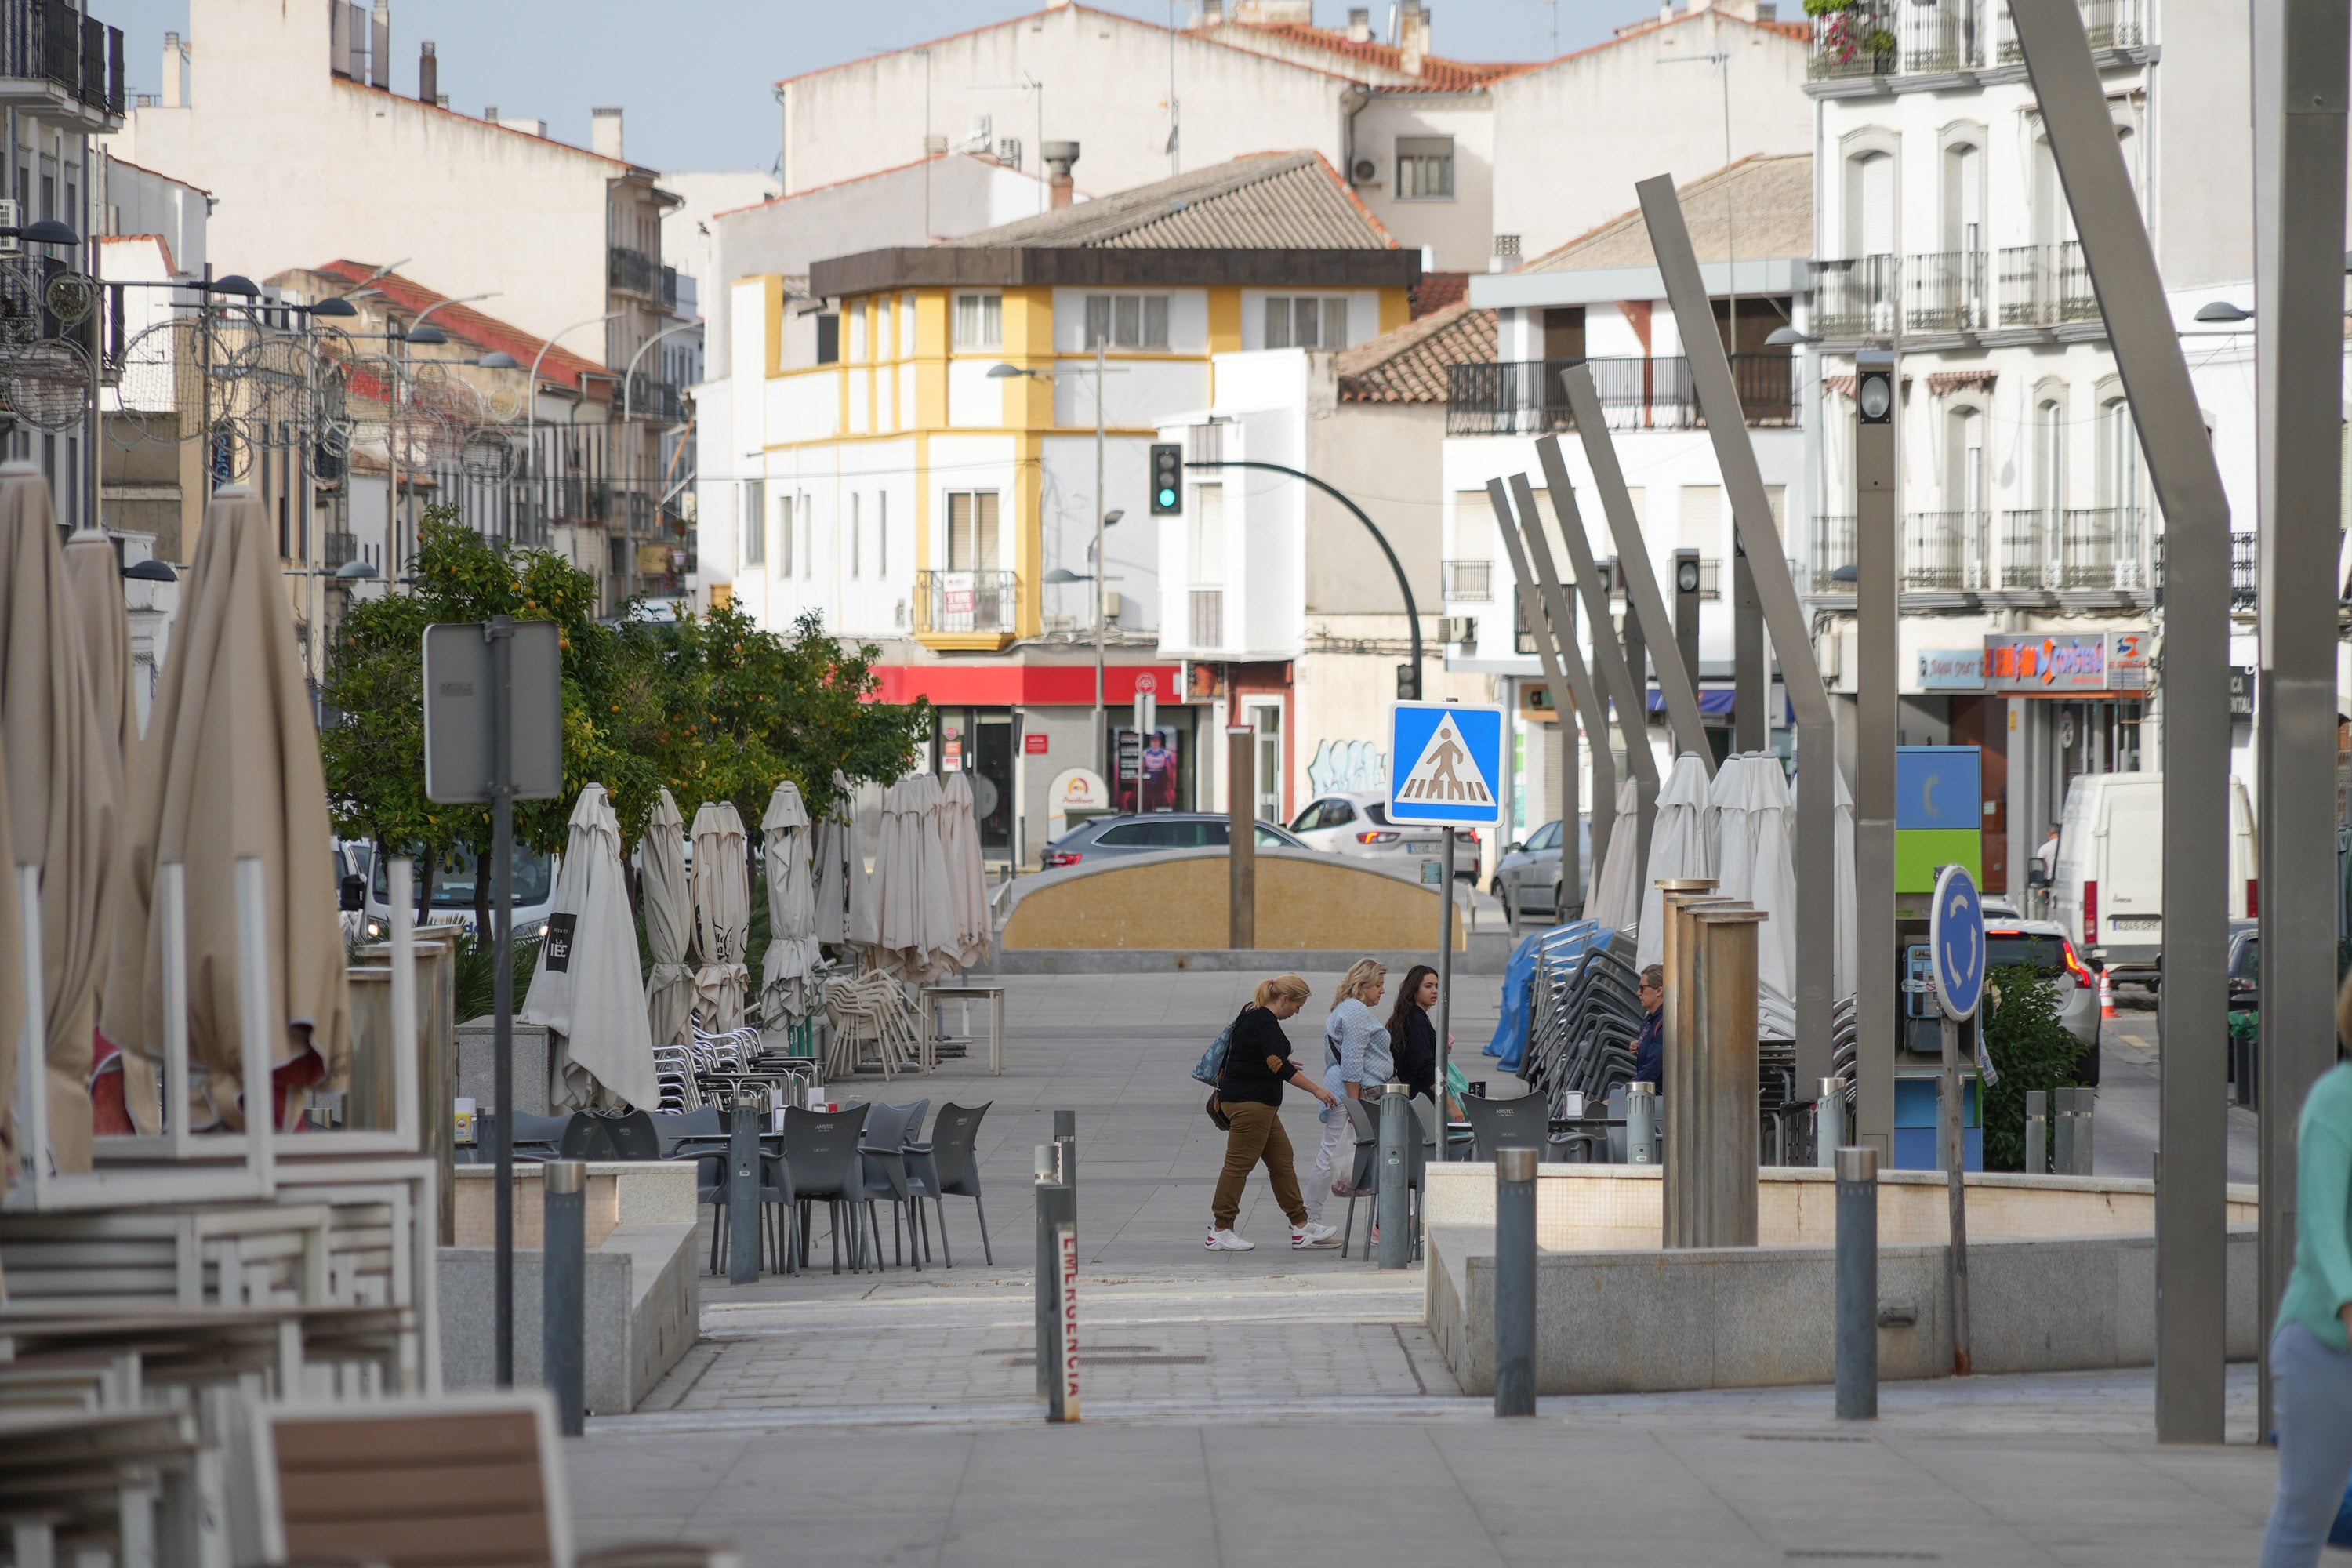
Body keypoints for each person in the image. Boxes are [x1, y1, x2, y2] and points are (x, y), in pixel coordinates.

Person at [2257, 974, 2352, 1566]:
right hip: (2325, 1339)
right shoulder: (2336, 1101)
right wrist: (2348, 1303)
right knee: (2307, 1512)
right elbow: (2319, 1222)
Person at [1209, 974, 1341, 1252]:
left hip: (1259, 1105)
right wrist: (1316, 1090)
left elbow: (1253, 1054)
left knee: (1282, 1162)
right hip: (1250, 1105)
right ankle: (1220, 1231)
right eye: (1297, 1006)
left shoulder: (1252, 1013)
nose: (1296, 1012)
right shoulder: (1265, 1021)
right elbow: (1275, 1065)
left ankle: (1301, 1228)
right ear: (1284, 999)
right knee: (1238, 1166)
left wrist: (1274, 1060)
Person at [1308, 960, 1393, 1225]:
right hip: (1352, 1093)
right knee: (1330, 1152)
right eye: (1378, 985)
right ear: (1362, 985)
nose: (1382, 991)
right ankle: (1310, 1220)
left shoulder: (1348, 1009)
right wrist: (1354, 1104)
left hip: (1349, 1091)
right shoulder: (1355, 1011)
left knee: (1330, 1152)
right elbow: (1352, 1058)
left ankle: (1310, 1219)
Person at [1632, 963, 1664, 1088]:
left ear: (1659, 991)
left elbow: (1654, 1066)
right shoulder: (1651, 1019)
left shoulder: (1666, 1023)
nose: (1638, 992)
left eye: (1642, 988)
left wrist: (1628, 1091)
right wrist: (1641, 1046)